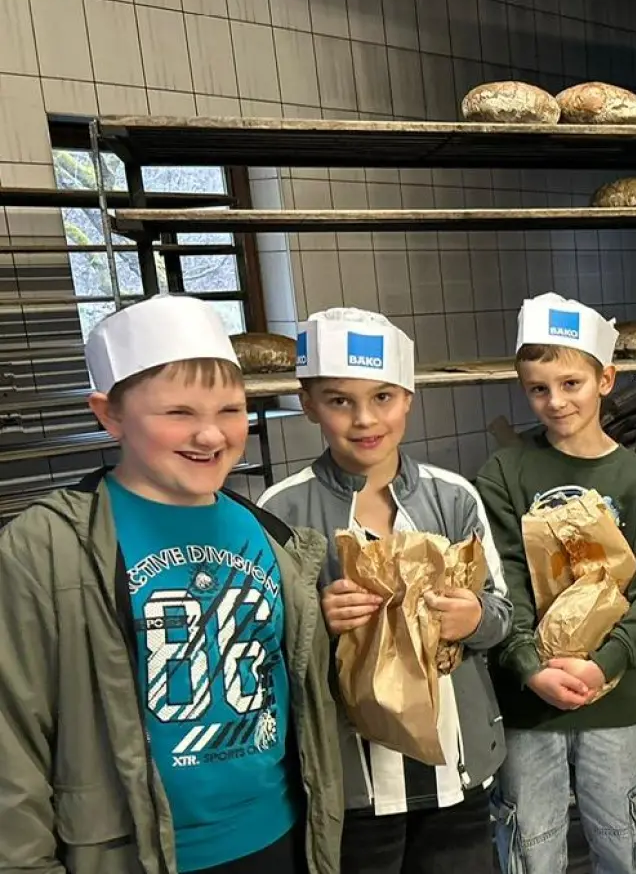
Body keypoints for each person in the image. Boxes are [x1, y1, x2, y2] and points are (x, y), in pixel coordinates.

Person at [0, 294, 343, 874]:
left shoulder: (272, 537)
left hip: (280, 838)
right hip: (133, 853)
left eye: (231, 410)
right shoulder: (48, 548)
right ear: (109, 414)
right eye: (178, 413)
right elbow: (11, 738)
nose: (210, 435)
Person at [258, 308, 512, 874]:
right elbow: (264, 650)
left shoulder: (454, 498)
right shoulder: (281, 511)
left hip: (456, 768)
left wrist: (473, 617)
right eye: (339, 400)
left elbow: (503, 614)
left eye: (383, 397)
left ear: (408, 398)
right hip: (353, 783)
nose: (364, 419)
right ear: (307, 404)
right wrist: (316, 623)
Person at [477, 293, 636, 874]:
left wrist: (604, 663)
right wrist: (529, 665)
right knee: (531, 843)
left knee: (620, 838)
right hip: (527, 700)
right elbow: (503, 580)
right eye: (538, 389)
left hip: (611, 698)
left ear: (606, 380)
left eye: (571, 384)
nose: (556, 401)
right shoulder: (505, 473)